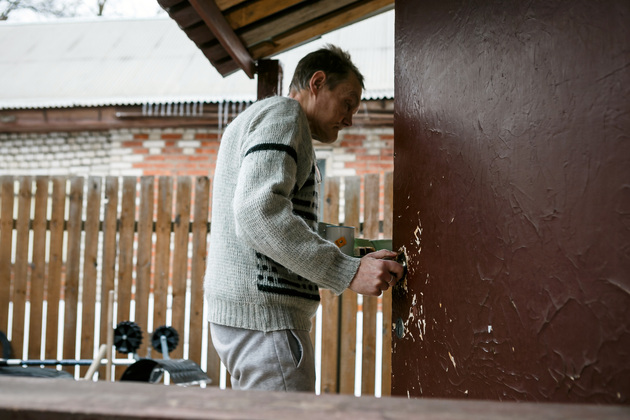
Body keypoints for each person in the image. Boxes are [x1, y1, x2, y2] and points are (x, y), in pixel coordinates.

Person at [204, 44, 404, 392]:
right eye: (347, 103)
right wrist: (347, 270)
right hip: (267, 324)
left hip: (245, 320)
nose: (350, 119)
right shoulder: (286, 114)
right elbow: (257, 213)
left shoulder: (253, 119)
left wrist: (352, 255)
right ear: (317, 82)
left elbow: (261, 216)